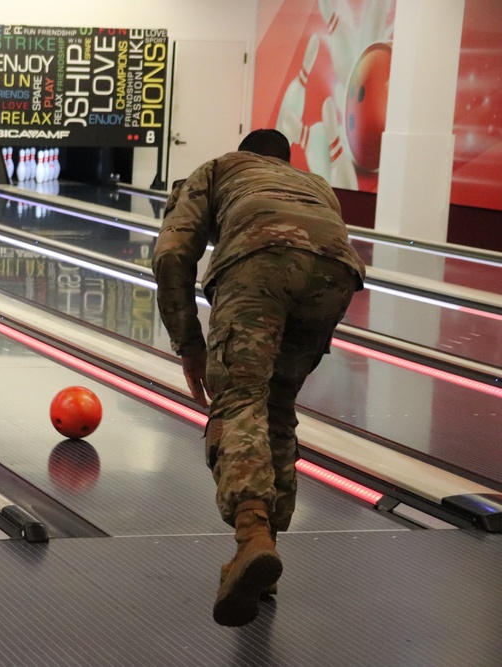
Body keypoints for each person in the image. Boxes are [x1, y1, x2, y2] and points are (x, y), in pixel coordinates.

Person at [152, 129, 365, 627]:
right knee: (277, 407)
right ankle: (264, 566)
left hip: (259, 259)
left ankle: (252, 537)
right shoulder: (314, 184)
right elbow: (327, 240)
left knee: (239, 400)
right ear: (285, 161)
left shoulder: (218, 167)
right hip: (337, 271)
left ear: (244, 153)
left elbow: (171, 253)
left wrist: (189, 346)